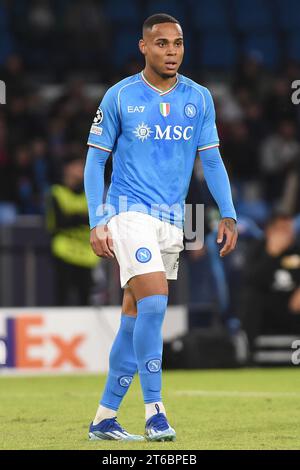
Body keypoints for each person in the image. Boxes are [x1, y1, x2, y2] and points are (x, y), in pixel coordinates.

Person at [84, 13, 238, 442]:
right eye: (163, 44)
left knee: (134, 317)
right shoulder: (120, 96)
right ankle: (155, 413)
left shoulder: (199, 98)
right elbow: (96, 161)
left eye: (178, 44)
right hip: (129, 213)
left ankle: (103, 419)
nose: (172, 51)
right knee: (155, 306)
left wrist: (228, 212)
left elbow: (211, 160)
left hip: (173, 219)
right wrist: (99, 219)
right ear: (144, 47)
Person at [242, 211, 300, 352]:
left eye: (289, 229)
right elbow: (252, 279)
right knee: (251, 298)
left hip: (292, 304)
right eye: (283, 230)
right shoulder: (257, 249)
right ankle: (251, 353)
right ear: (270, 231)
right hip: (266, 304)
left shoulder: (297, 249)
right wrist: (272, 254)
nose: (288, 234)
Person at [47, 155, 98, 305]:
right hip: (64, 252)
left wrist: (73, 217)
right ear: (67, 169)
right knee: (62, 297)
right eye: (77, 166)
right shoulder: (57, 192)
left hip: (87, 254)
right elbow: (58, 223)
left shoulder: (89, 193)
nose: (82, 170)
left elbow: (97, 218)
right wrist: (82, 218)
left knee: (86, 299)